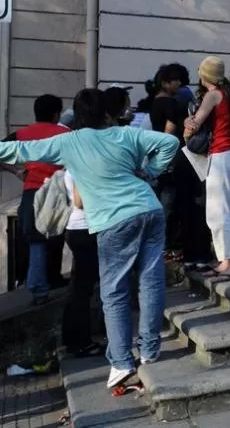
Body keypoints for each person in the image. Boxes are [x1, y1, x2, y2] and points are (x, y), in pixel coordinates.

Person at [0, 88, 179, 389]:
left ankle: (122, 363)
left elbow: (19, 151)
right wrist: (150, 171)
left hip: (113, 220)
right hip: (149, 209)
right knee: (150, 282)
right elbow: (170, 142)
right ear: (107, 114)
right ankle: (149, 352)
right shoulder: (125, 134)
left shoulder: (69, 141)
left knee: (114, 292)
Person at [1, 94, 70, 303]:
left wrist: (16, 172)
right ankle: (51, 280)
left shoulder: (22, 134)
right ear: (57, 114)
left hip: (32, 191)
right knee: (57, 237)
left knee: (36, 240)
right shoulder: (65, 134)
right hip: (57, 191)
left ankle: (38, 286)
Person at [184, 56, 230, 279]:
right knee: (222, 210)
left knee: (219, 211)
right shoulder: (229, 94)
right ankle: (227, 259)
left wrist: (187, 123)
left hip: (220, 155)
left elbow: (195, 122)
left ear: (204, 75)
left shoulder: (212, 95)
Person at [151, 63, 211, 266]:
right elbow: (170, 133)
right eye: (176, 80)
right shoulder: (172, 104)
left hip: (164, 160)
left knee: (177, 207)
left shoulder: (155, 102)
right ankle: (185, 250)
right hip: (179, 158)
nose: (179, 84)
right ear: (166, 82)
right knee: (187, 205)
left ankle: (182, 251)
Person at [62, 168, 103, 358]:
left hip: (78, 228)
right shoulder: (81, 163)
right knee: (81, 289)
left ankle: (73, 339)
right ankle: (81, 342)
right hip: (84, 229)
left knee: (78, 287)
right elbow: (80, 202)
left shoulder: (73, 162)